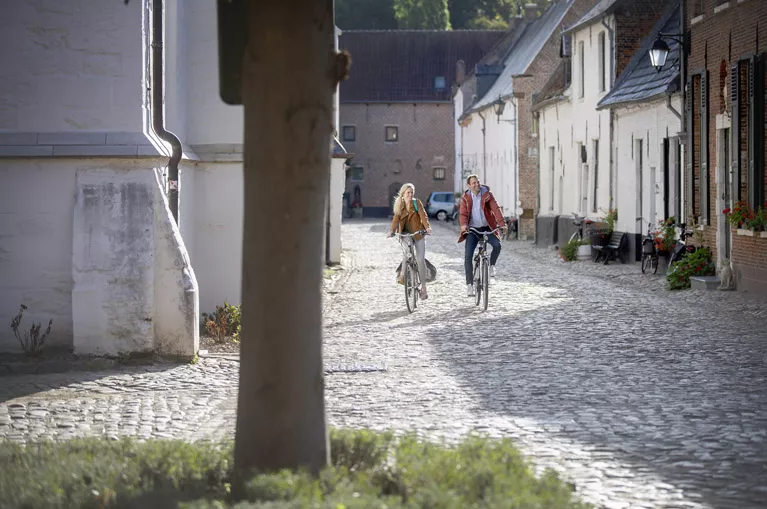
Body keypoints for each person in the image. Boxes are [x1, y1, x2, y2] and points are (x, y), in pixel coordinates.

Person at [458, 174, 506, 296]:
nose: (477, 184)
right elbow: (463, 214)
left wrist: (502, 224)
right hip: (473, 230)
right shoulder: (466, 197)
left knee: (497, 245)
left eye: (478, 182)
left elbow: (496, 209)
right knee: (468, 255)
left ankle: (492, 265)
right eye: (473, 183)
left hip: (487, 228)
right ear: (469, 185)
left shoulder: (487, 195)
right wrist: (464, 225)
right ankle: (469, 285)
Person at [388, 183, 432, 299]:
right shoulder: (400, 204)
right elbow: (395, 219)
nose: (410, 194)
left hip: (418, 233)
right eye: (408, 192)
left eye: (412, 192)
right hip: (405, 234)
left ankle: (423, 287)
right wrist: (391, 231)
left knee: (420, 259)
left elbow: (423, 215)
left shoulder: (416, 203)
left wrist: (427, 227)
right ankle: (403, 275)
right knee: (406, 253)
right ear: (403, 194)